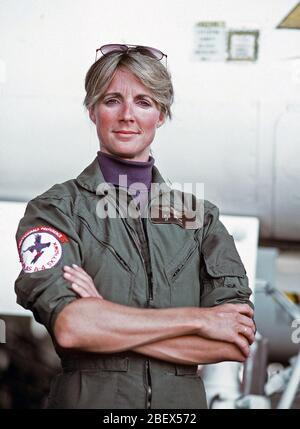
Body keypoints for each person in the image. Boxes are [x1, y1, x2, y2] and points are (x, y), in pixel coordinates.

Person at [15, 43, 255, 409]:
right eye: (112, 100)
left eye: (144, 102)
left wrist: (103, 315)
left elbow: (232, 340)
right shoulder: (56, 210)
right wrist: (200, 320)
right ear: (92, 111)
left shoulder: (199, 217)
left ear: (160, 115)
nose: (128, 115)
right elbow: (72, 327)